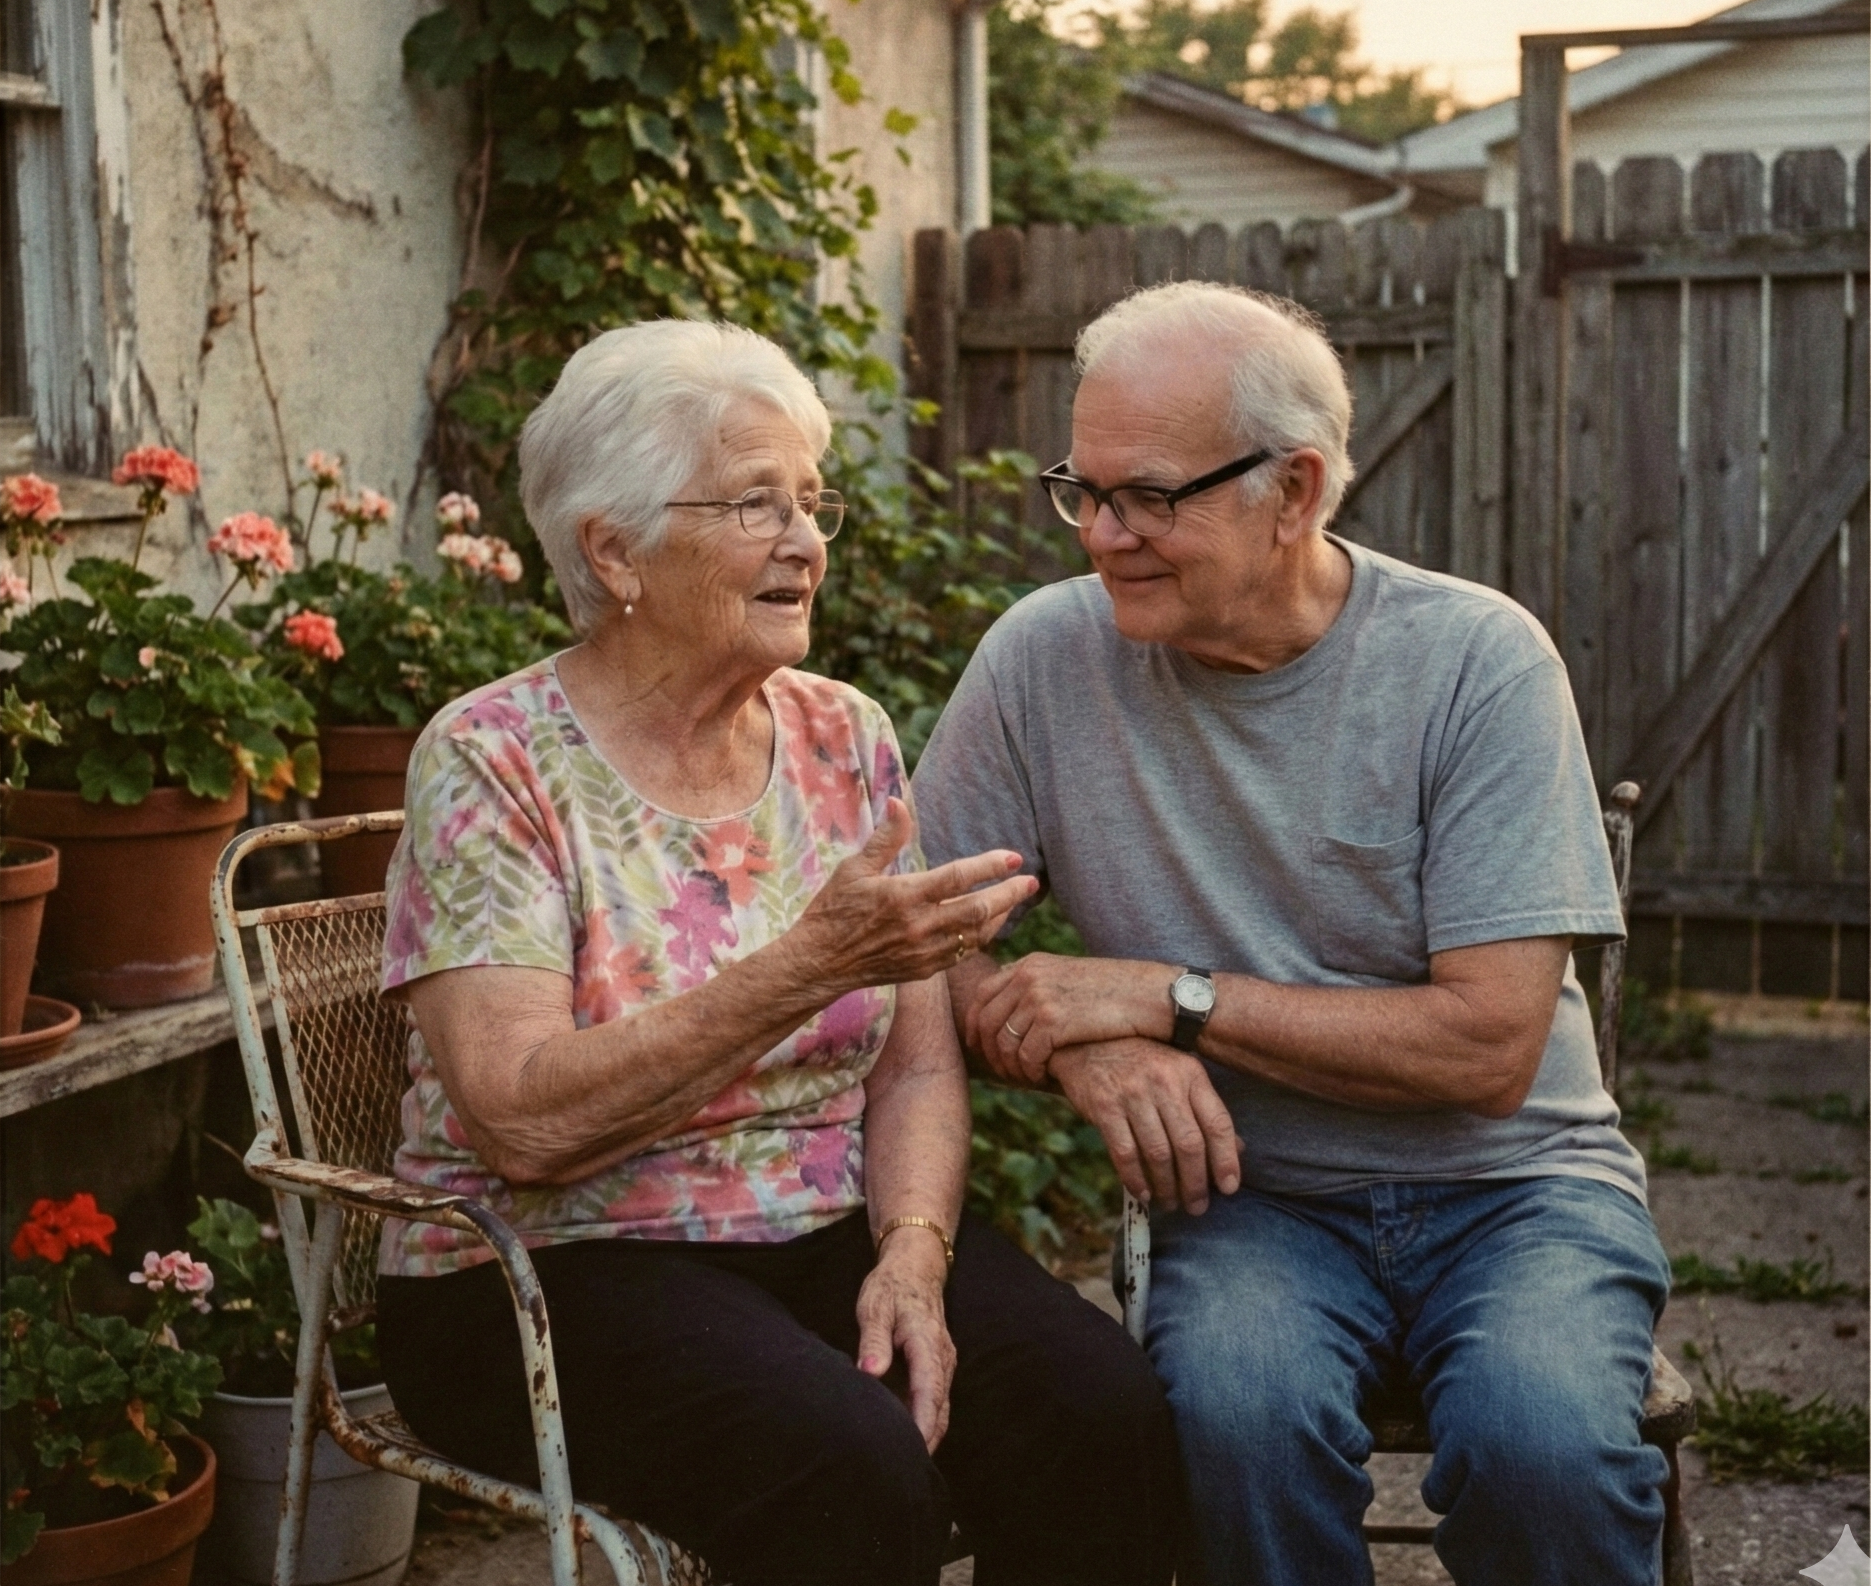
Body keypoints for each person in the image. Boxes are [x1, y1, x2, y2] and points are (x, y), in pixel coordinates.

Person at [374, 320, 1178, 1586]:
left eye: (810, 503)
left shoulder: (840, 737)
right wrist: (806, 965)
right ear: (611, 548)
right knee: (845, 1467)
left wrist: (913, 1252)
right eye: (756, 505)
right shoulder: (492, 759)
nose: (804, 542)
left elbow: (912, 1069)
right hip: (541, 1264)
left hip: (818, 1225)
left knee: (1097, 1413)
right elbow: (520, 1124)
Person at [913, 282, 1671, 1586]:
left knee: (1538, 1447)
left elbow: (1488, 1048)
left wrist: (1168, 998)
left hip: (1518, 1197)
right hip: (1247, 1203)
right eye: (1080, 490)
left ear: (1295, 490)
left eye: (1148, 496)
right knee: (1233, 1426)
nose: (1100, 535)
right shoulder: (1040, 661)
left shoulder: (1474, 665)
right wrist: (1080, 1054)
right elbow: (922, 940)